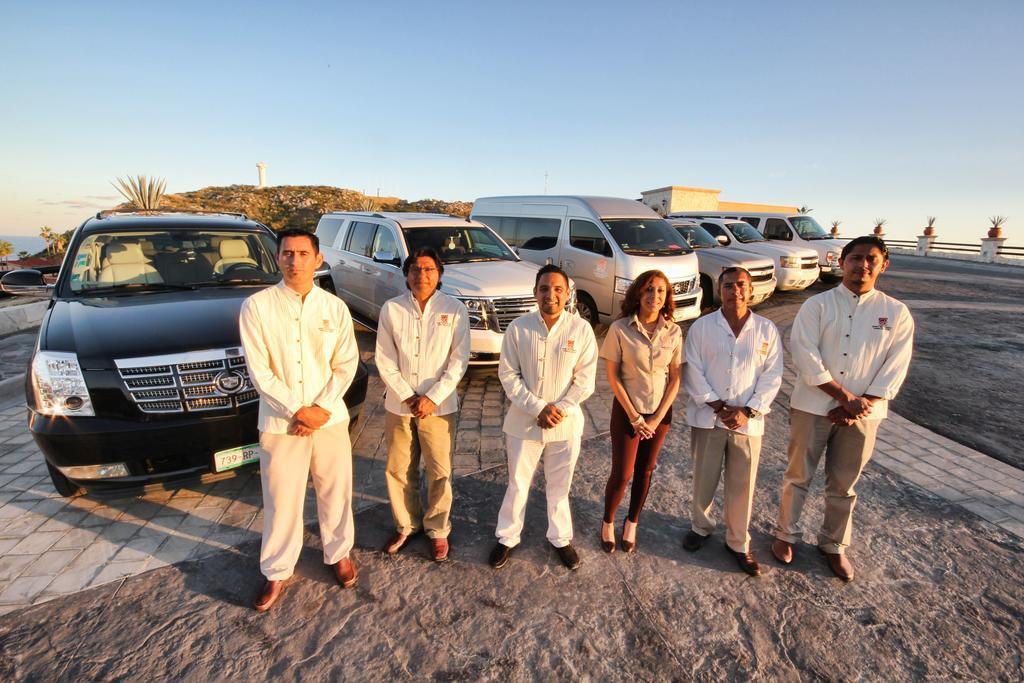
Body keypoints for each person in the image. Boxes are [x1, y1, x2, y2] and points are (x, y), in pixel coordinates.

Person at [772, 235, 914, 582]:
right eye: (855, 258)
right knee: (798, 475)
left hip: (864, 414)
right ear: (842, 262)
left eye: (871, 259)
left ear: (883, 265)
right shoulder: (817, 306)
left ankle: (833, 544)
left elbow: (897, 365)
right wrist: (842, 397)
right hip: (812, 407)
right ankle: (785, 534)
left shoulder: (895, 313)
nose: (862, 265)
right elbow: (804, 354)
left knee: (844, 484)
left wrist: (860, 404)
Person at [239, 228, 361, 612]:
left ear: (317, 258)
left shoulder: (334, 308)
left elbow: (346, 364)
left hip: (329, 419)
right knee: (281, 498)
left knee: (335, 491)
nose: (295, 261)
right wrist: (297, 410)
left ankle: (338, 553)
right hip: (280, 422)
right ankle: (277, 569)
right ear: (277, 259)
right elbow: (259, 371)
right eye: (287, 253)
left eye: (303, 253)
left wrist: (319, 409)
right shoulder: (256, 306)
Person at [489, 264, 598, 571]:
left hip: (565, 424)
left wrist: (558, 409)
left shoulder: (581, 329)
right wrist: (538, 408)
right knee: (518, 483)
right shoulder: (519, 328)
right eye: (544, 289)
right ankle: (507, 536)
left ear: (567, 293)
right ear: (535, 292)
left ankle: (560, 538)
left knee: (559, 485)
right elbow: (508, 374)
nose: (551, 295)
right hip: (524, 422)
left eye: (558, 289)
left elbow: (585, 380)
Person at [682, 267, 783, 576]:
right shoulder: (702, 327)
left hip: (747, 422)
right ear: (720, 289)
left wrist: (747, 411)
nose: (734, 290)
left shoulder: (766, 330)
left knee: (743, 485)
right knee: (704, 478)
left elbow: (773, 376)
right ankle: (701, 526)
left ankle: (738, 542)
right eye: (728, 285)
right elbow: (692, 369)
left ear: (750, 290)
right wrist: (717, 404)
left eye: (741, 285)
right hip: (708, 417)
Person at [375, 247, 470, 562]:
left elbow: (459, 359)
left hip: (439, 407)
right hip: (399, 405)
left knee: (439, 470)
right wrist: (407, 395)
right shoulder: (391, 309)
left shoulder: (455, 309)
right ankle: (406, 524)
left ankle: (438, 529)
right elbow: (384, 359)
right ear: (406, 274)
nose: (422, 275)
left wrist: (432, 397)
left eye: (429, 269)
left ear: (439, 274)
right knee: (399, 468)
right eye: (415, 269)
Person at [599, 270, 682, 554]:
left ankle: (632, 522)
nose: (654, 296)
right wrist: (635, 417)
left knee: (645, 471)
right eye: (649, 289)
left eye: (661, 291)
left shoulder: (673, 331)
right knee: (622, 473)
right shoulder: (620, 328)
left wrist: (656, 419)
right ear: (638, 293)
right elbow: (613, 377)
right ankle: (608, 521)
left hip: (660, 415)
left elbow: (676, 378)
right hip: (627, 412)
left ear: (667, 297)